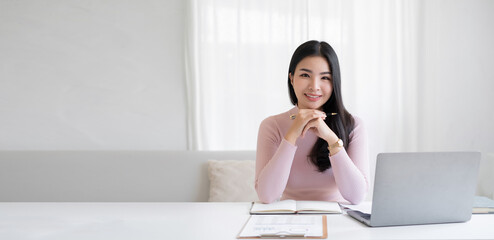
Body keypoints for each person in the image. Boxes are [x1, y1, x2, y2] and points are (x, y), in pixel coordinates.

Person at [255, 40, 369, 204]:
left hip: (338, 220)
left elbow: (357, 197)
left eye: (325, 78)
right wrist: (292, 134)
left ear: (334, 82)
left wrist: (331, 138)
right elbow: (266, 196)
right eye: (305, 75)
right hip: (289, 219)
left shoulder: (353, 125)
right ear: (291, 78)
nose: (314, 86)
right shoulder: (271, 125)